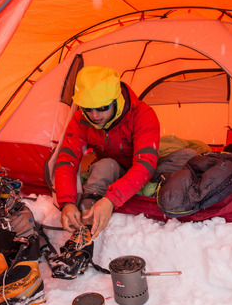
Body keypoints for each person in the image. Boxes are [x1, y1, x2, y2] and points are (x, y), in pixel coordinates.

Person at [49, 66, 196, 279]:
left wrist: (111, 199)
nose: (94, 115)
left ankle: (137, 185)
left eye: (101, 108)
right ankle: (85, 232)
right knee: (104, 166)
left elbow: (145, 164)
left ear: (116, 100)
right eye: (87, 108)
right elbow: (67, 161)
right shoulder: (82, 119)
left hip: (146, 164)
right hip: (114, 167)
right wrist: (67, 202)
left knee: (187, 157)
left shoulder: (143, 114)